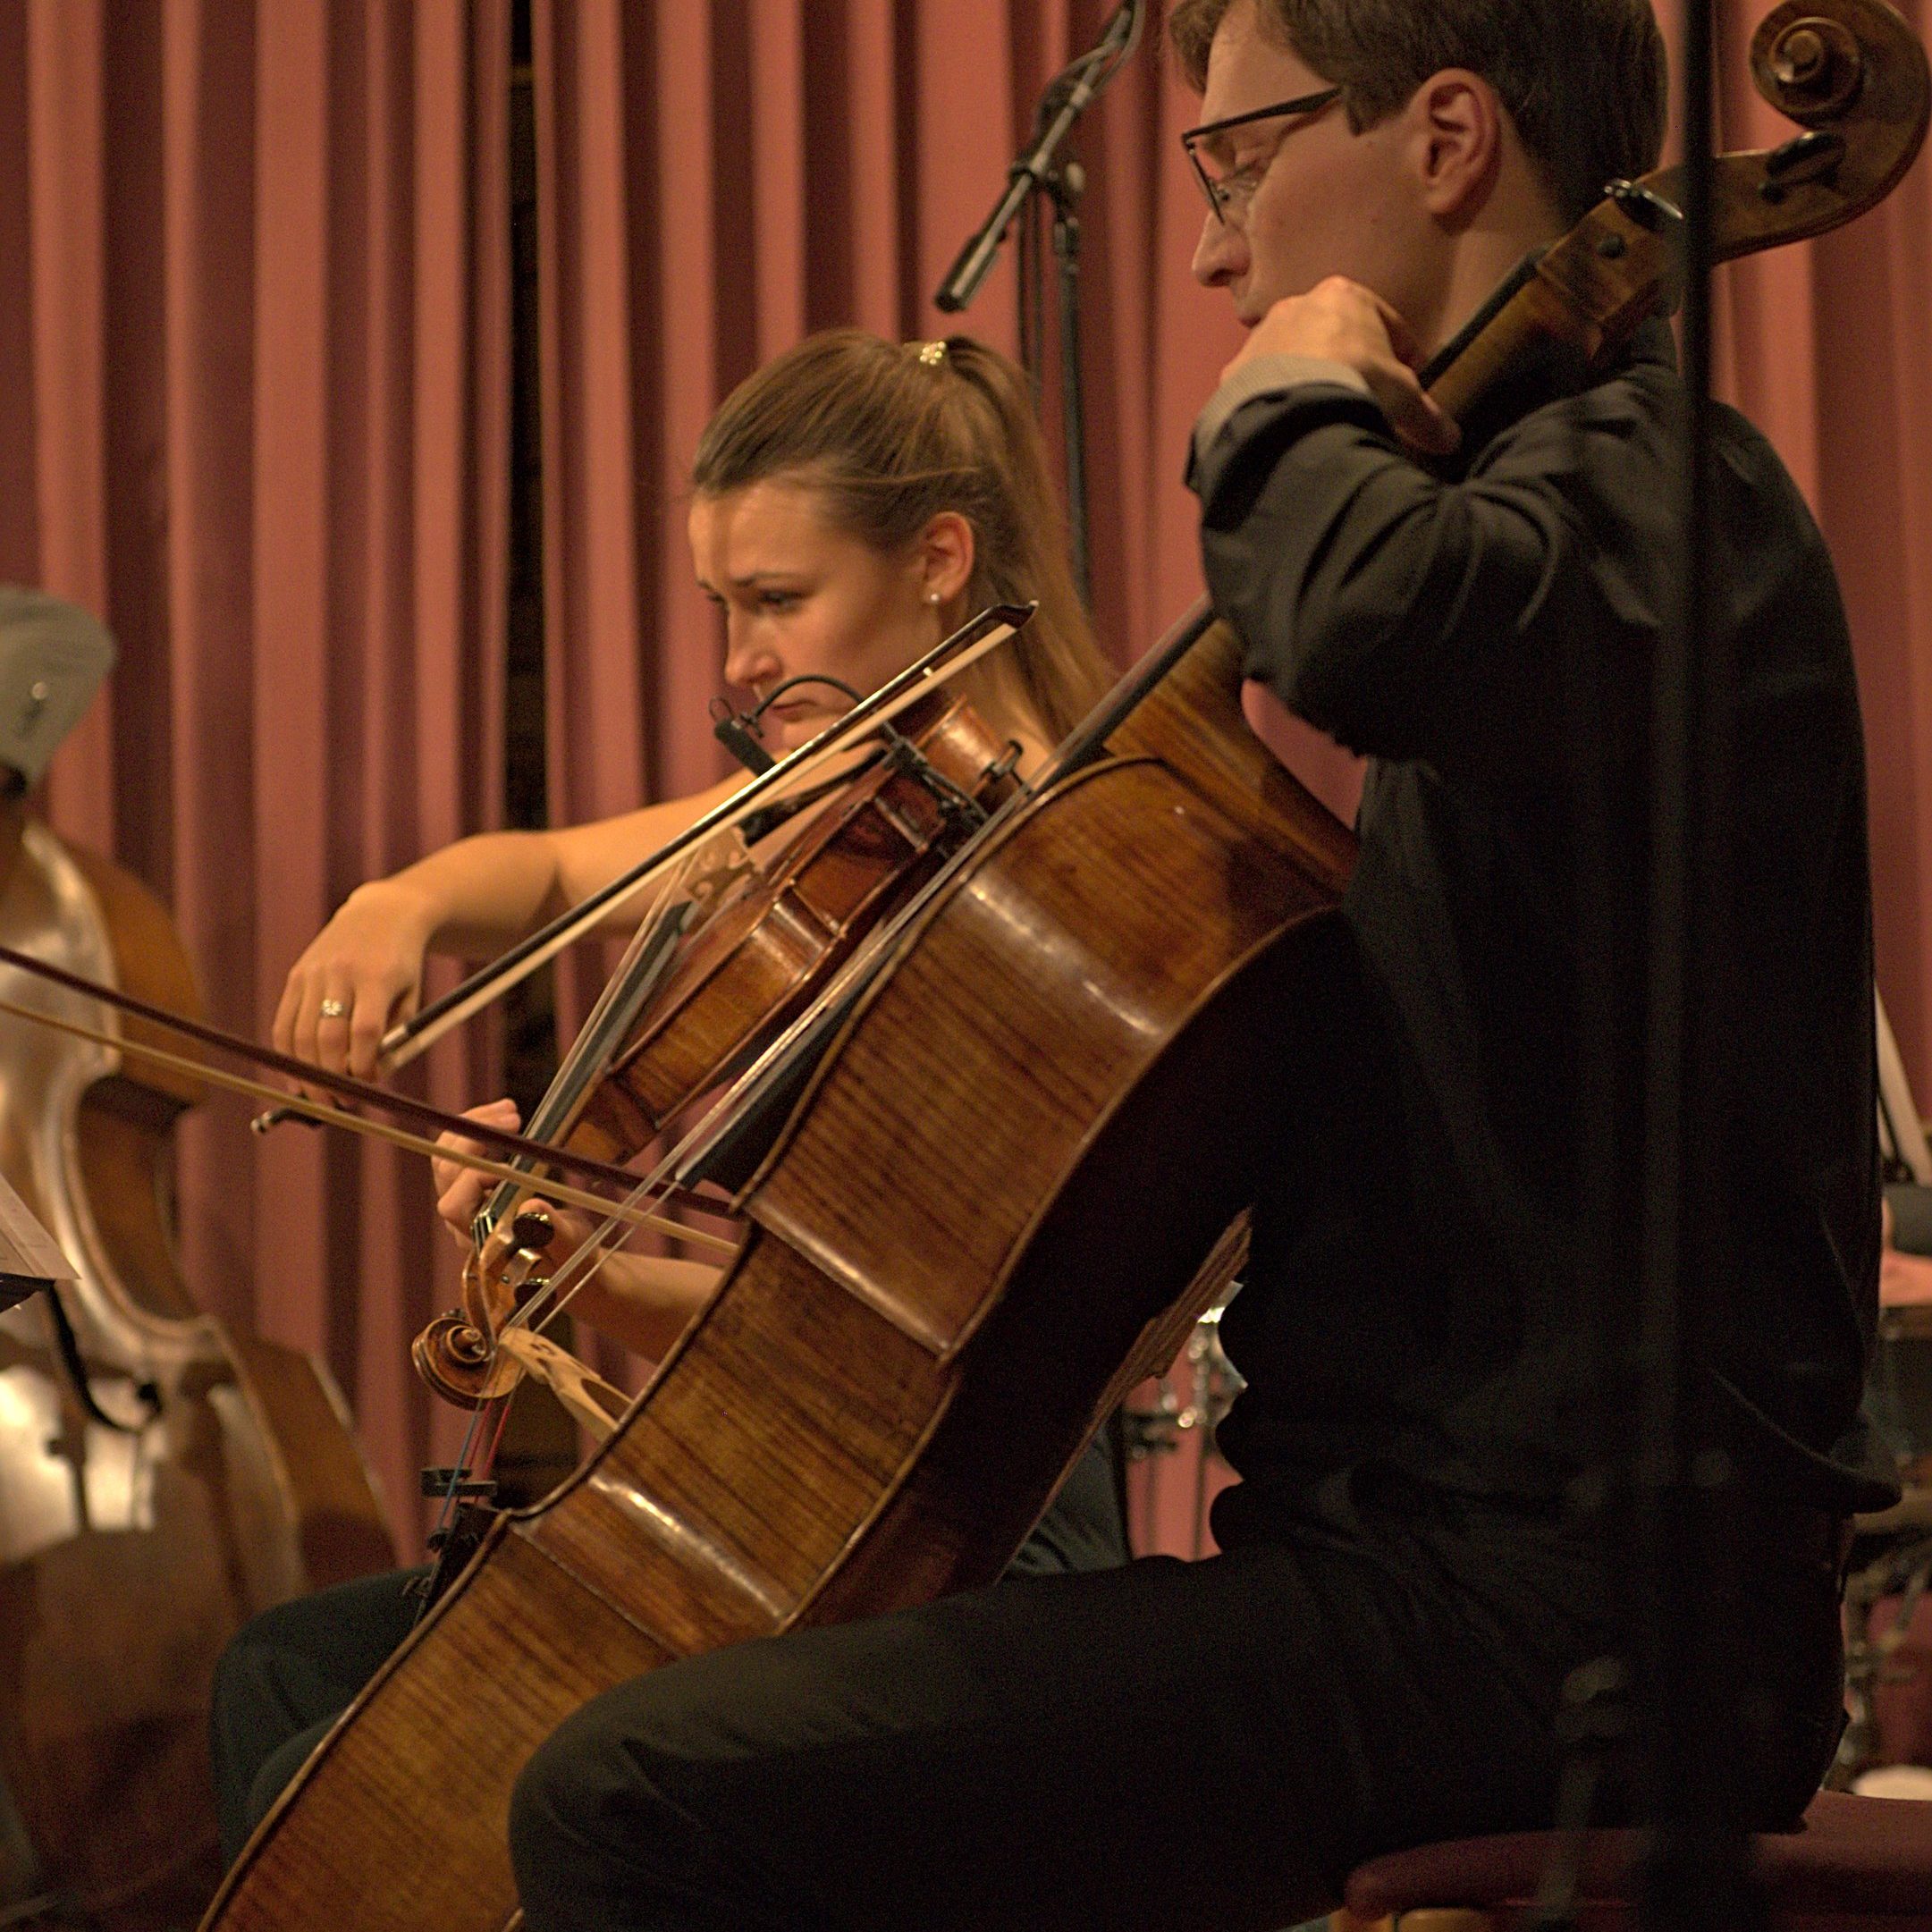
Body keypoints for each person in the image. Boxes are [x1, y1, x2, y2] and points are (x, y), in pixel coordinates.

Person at [495, 3, 1894, 1928]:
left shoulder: (1656, 495)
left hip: (1573, 1623)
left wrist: (1281, 398)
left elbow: (1362, 615)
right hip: (1436, 1584)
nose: (1211, 251)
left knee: (631, 1793)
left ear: (1447, 138)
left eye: (1234, 162)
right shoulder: (1556, 552)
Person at [209, 329, 1127, 1866]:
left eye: (775, 602)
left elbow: (897, 1357)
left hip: (957, 1524)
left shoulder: (1031, 883)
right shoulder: (836, 801)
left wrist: (591, 1281)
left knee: (348, 1746)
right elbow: (564, 871)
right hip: (792, 1480)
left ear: (942, 560)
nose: (736, 662)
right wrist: (403, 896)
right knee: (282, 1670)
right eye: (721, 606)